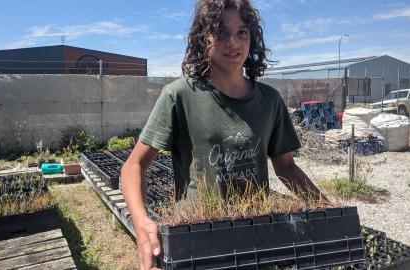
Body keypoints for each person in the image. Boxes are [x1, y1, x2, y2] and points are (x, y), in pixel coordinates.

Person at [120, 1, 326, 269]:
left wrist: (325, 209)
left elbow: (286, 167)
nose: (233, 42)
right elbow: (133, 166)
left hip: (255, 237)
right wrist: (142, 222)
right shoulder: (180, 95)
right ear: (202, 39)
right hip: (195, 241)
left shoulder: (269, 100)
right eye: (221, 33)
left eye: (242, 32)